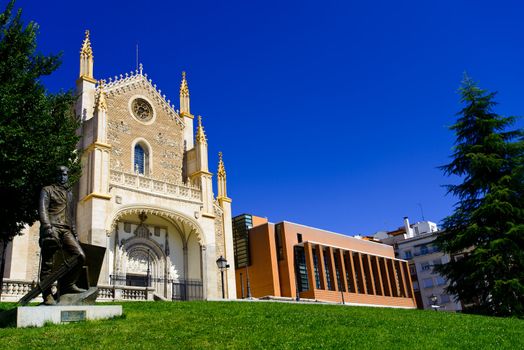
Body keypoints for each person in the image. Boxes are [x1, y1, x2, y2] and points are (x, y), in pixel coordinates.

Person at [39, 165, 86, 305]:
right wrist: (47, 227)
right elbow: (43, 210)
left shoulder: (69, 194)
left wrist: (75, 233)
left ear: (67, 176)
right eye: (59, 174)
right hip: (52, 228)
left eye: (64, 174)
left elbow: (70, 216)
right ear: (56, 176)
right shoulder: (47, 190)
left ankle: (67, 285)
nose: (62, 177)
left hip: (66, 230)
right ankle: (47, 295)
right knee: (48, 264)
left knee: (80, 256)